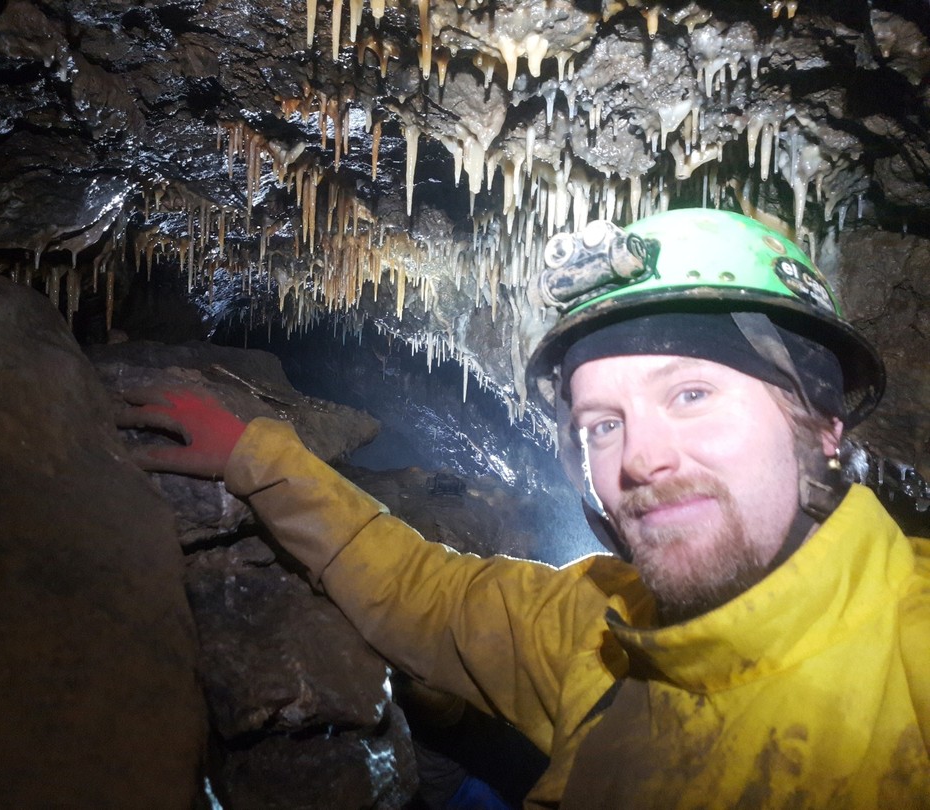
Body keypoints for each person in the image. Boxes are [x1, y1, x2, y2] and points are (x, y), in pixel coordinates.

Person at [120, 208, 930, 808]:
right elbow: (423, 592)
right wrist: (257, 456)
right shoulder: (593, 634)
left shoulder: (910, 646)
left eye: (691, 394)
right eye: (603, 424)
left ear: (820, 425)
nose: (640, 459)